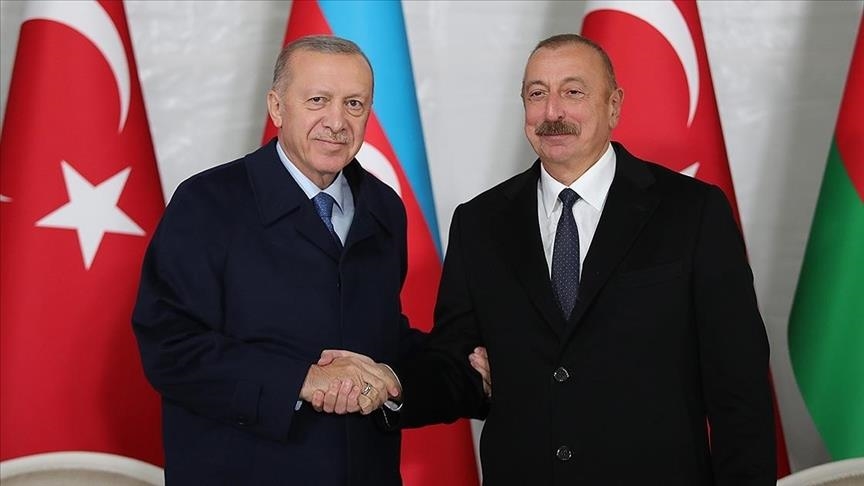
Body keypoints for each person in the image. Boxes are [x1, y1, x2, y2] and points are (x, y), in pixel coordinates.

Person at [324, 33, 777, 485]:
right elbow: (456, 368)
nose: (553, 112)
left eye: (573, 92)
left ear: (614, 106)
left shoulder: (693, 212)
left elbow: (740, 387)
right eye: (537, 94)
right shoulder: (479, 223)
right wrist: (390, 384)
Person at [132, 35, 487, 485]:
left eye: (354, 104)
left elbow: (379, 336)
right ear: (277, 107)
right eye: (318, 100)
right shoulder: (206, 203)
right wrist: (303, 380)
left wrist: (472, 370)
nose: (336, 122)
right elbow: (170, 346)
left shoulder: (384, 208)